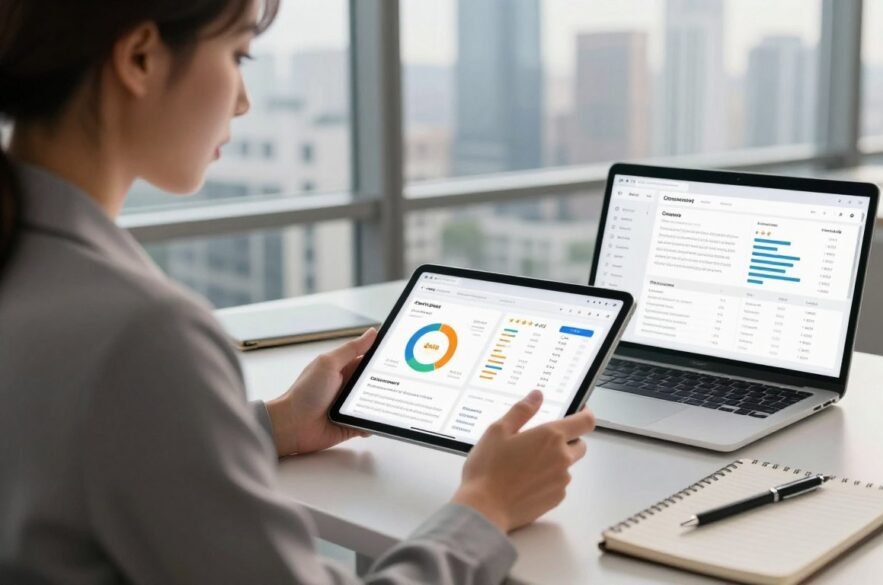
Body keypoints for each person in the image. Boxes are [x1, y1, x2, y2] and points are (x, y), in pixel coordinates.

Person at [0, 1, 596, 583]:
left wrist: (275, 425)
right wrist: (486, 506)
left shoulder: (32, 270)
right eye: (238, 55)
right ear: (139, 57)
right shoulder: (145, 333)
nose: (243, 100)